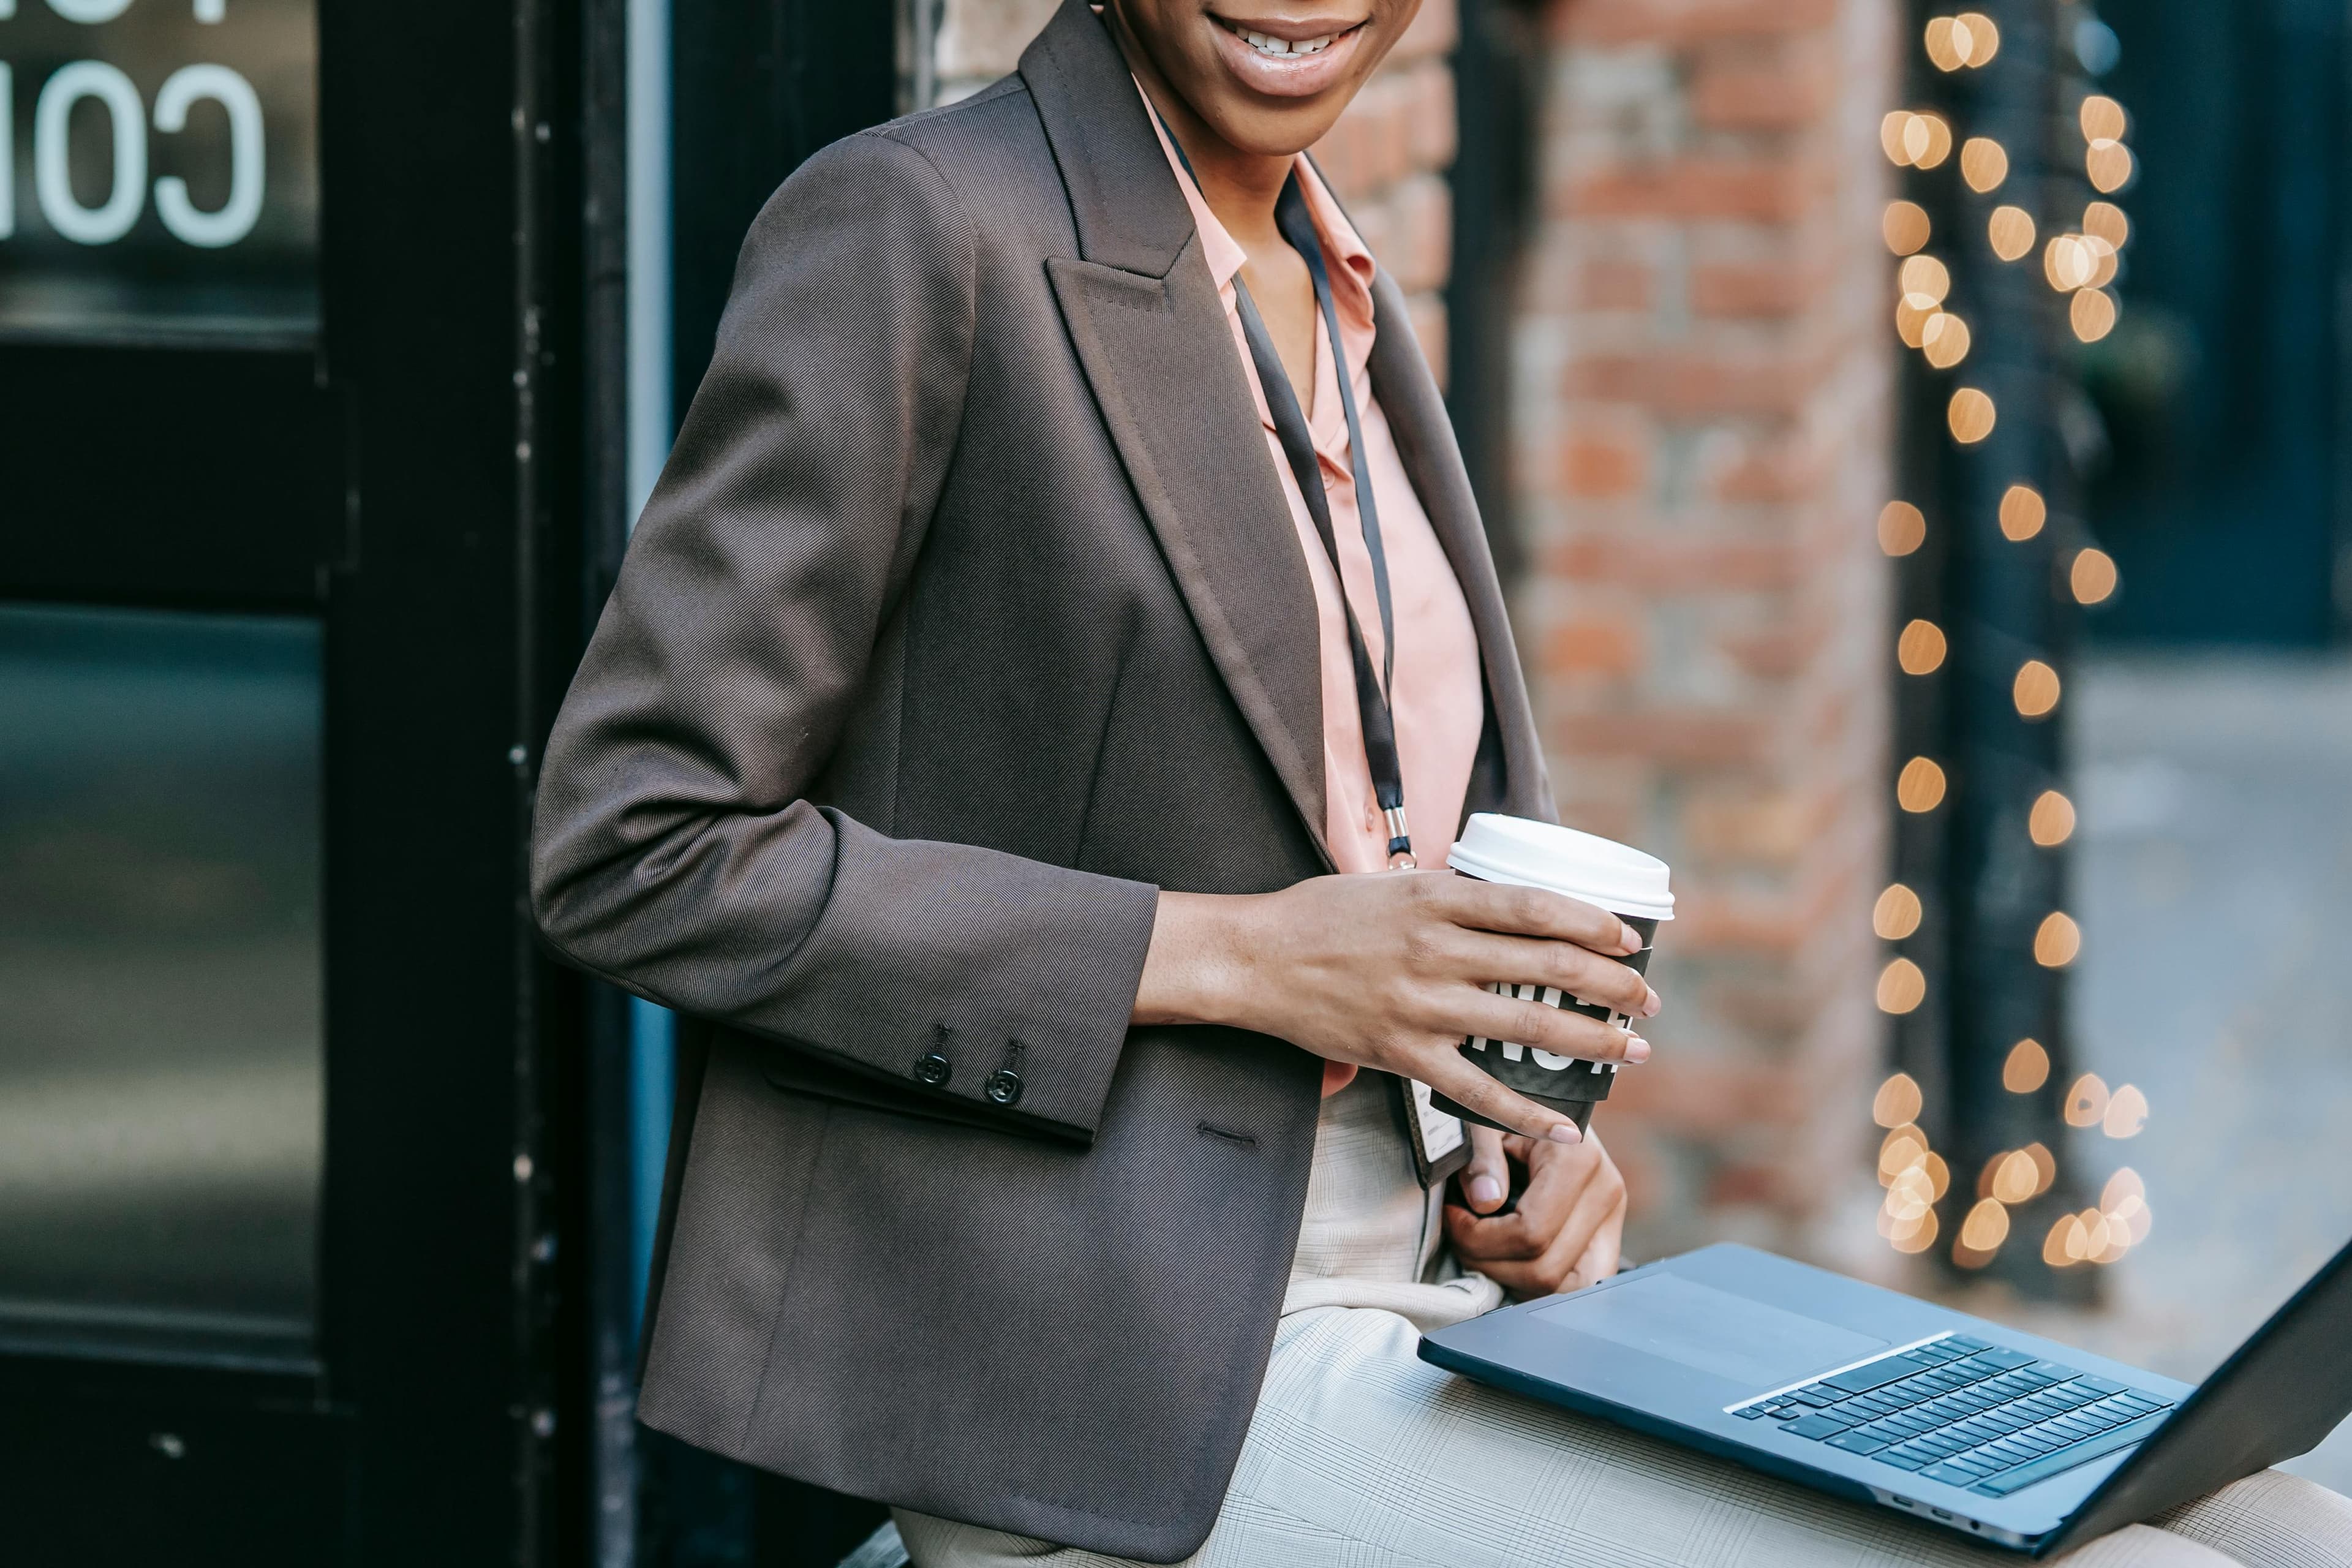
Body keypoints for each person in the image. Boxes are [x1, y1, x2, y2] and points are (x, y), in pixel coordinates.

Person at [528, 1, 2352, 1563]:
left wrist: (1525, 1151)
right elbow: (636, 842)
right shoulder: (920, 230)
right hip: (1110, 1378)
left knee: (2283, 1519)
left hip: (1433, 1297)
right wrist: (1242, 959)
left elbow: (1349, 852)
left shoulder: (1340, 284)